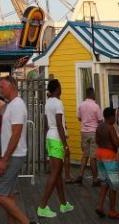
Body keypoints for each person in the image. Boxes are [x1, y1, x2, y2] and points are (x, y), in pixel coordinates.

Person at [0, 76, 36, 224]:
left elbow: (16, 134)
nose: (0, 89)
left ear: (12, 86)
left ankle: (27, 222)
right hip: (12, 155)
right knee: (9, 193)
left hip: (14, 156)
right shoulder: (11, 104)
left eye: (2, 86)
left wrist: (4, 160)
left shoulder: (17, 105)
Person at [38, 79, 73, 218]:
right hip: (57, 138)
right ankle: (42, 206)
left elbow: (48, 124)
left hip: (50, 137)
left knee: (57, 173)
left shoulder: (48, 103)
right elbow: (59, 124)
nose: (62, 89)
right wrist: (65, 145)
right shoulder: (58, 103)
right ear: (57, 88)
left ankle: (64, 204)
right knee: (55, 173)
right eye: (61, 86)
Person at [94, 107, 119, 220]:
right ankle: (112, 211)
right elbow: (116, 143)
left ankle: (100, 206)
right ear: (111, 117)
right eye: (115, 116)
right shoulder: (110, 127)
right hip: (109, 156)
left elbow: (97, 141)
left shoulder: (99, 126)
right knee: (113, 185)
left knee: (104, 182)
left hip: (99, 154)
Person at [73, 87, 102, 185]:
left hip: (84, 132)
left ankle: (80, 175)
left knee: (85, 155)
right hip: (93, 132)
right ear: (92, 94)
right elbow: (100, 120)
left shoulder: (81, 105)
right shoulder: (96, 106)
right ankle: (95, 179)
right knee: (93, 157)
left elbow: (79, 118)